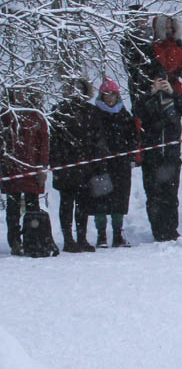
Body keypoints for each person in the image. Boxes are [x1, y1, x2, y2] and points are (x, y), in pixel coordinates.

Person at [135, 60, 182, 241]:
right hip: (152, 157)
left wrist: (172, 93)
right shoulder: (145, 98)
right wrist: (151, 93)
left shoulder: (173, 96)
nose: (161, 82)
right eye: (157, 79)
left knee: (171, 195)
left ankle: (171, 230)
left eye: (163, 79)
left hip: (171, 155)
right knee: (154, 195)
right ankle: (158, 231)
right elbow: (138, 112)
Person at [48, 79, 103, 252]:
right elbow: (54, 140)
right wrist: (57, 163)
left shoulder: (92, 111)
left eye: (80, 89)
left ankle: (81, 238)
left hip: (86, 165)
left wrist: (97, 161)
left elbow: (98, 138)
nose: (77, 92)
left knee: (83, 204)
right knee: (67, 203)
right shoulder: (59, 110)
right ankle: (68, 240)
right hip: (66, 165)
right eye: (74, 89)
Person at [1, 89, 54, 257]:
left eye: (23, 92)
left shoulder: (36, 115)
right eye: (17, 92)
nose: (20, 95)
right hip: (11, 169)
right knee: (13, 209)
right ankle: (15, 242)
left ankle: (33, 239)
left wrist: (42, 166)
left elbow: (44, 142)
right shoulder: (5, 114)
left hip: (32, 169)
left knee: (33, 208)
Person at [90, 79, 137, 248]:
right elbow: (91, 138)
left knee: (120, 198)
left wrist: (130, 154)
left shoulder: (124, 114)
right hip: (101, 164)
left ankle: (118, 233)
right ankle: (101, 235)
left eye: (112, 94)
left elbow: (133, 137)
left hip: (121, 164)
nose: (110, 98)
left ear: (117, 95)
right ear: (101, 96)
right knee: (100, 199)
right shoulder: (95, 115)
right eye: (106, 94)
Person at [120, 7, 156, 109]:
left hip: (155, 79)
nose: (143, 21)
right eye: (140, 18)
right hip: (138, 81)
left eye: (145, 17)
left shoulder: (153, 35)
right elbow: (129, 64)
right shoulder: (127, 39)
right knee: (140, 109)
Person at [152, 15, 182, 96]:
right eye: (166, 28)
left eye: (171, 27)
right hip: (162, 86)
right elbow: (164, 65)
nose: (169, 30)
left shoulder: (176, 44)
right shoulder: (157, 46)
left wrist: (181, 70)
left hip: (175, 86)